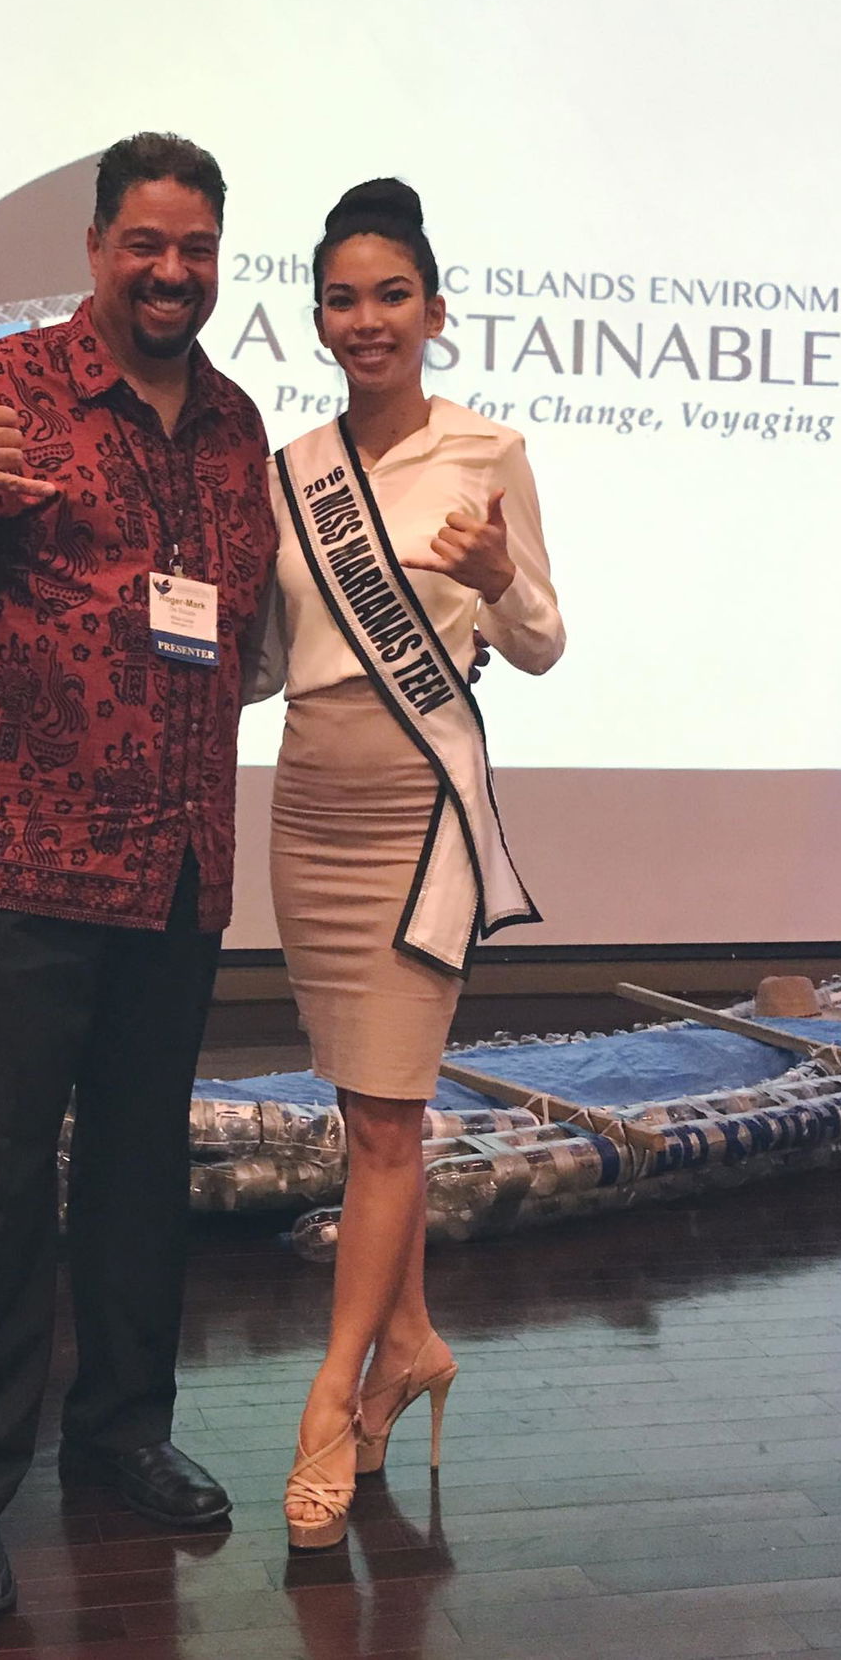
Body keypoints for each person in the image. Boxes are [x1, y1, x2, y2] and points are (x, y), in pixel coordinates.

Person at [0, 132, 277, 1620]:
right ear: (97, 247)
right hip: (17, 857)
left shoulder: (233, 426)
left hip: (175, 858)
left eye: (196, 248)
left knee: (143, 1167)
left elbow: (238, 631)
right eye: (145, 243)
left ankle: (122, 1433)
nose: (171, 271)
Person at [250, 179, 565, 1549]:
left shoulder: (488, 450)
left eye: (392, 296)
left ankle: (330, 1401)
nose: (367, 319)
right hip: (308, 802)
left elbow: (542, 641)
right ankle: (415, 1342)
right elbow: (271, 662)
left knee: (387, 1120)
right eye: (343, 299)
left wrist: (496, 579)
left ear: (435, 312)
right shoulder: (291, 470)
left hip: (417, 808)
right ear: (319, 319)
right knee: (370, 1109)